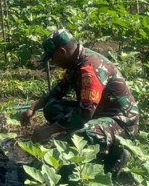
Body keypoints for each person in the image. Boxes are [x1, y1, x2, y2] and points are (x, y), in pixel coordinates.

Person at [20, 29, 138, 173]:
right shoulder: (76, 61)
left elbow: (84, 113)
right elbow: (58, 90)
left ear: (62, 52)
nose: (53, 62)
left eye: (52, 58)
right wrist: (32, 108)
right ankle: (89, 141)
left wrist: (50, 131)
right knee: (52, 108)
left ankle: (116, 153)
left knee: (78, 135)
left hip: (121, 122)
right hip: (98, 112)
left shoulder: (89, 69)